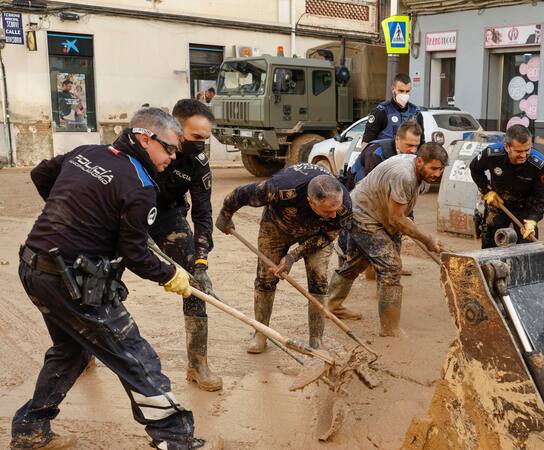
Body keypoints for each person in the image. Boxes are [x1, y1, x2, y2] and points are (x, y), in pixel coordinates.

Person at [11, 108, 220, 449]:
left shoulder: (87, 153)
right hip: (73, 282)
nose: (173, 156)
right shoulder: (140, 187)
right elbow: (136, 255)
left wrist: (74, 213)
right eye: (168, 148)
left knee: (70, 351)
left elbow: (41, 174)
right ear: (144, 138)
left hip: (33, 268)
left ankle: (30, 430)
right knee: (136, 357)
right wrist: (172, 275)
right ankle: (175, 438)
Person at [215, 164, 351, 352]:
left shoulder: (343, 205)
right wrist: (226, 214)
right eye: (328, 211)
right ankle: (261, 333)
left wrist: (292, 257)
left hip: (317, 234)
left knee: (319, 281)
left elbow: (328, 236)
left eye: (336, 209)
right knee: (265, 279)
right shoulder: (280, 188)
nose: (334, 214)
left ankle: (316, 339)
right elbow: (241, 194)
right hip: (277, 226)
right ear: (310, 201)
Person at [325, 144, 447, 335]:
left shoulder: (416, 171)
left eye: (441, 169)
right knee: (391, 266)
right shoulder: (404, 175)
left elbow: (399, 213)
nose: (437, 174)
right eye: (433, 168)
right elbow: (396, 219)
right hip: (362, 215)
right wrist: (427, 240)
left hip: (376, 213)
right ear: (420, 160)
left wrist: (407, 226)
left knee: (356, 262)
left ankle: (331, 306)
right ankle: (390, 330)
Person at [148, 99, 221, 392]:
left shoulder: (198, 164)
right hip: (128, 214)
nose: (201, 145)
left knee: (195, 282)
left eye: (206, 139)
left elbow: (203, 213)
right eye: (195, 138)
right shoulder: (147, 149)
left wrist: (201, 260)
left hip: (168, 216)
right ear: (176, 129)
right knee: (101, 281)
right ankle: (84, 350)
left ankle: (197, 364)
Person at [469, 124, 544, 248]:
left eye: (527, 150)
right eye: (518, 151)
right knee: (492, 249)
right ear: (507, 147)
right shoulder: (492, 154)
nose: (523, 155)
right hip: (499, 205)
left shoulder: (539, 164)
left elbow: (541, 198)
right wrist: (487, 190)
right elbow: (474, 169)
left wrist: (533, 219)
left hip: (525, 210)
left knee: (527, 251)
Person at [343, 120, 423, 190]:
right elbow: (371, 187)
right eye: (409, 145)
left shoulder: (413, 155)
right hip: (357, 190)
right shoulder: (376, 153)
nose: (414, 150)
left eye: (416, 145)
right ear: (397, 139)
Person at [362, 73, 425, 144]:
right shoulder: (381, 111)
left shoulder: (415, 112)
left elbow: (421, 142)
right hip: (385, 154)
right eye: (401, 91)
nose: (404, 94)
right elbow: (366, 142)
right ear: (393, 89)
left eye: (407, 91)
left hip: (409, 154)